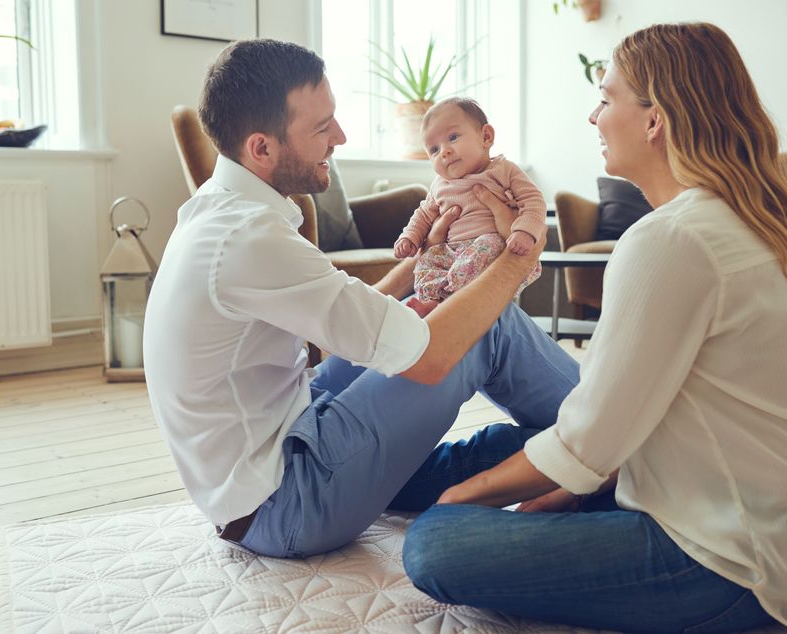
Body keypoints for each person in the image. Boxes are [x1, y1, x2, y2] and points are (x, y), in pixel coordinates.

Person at [401, 22, 787, 634]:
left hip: (725, 564)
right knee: (513, 446)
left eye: (606, 98)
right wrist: (562, 486)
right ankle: (398, 480)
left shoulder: (673, 240)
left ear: (655, 120)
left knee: (433, 542)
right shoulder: (738, 222)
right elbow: (632, 417)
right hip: (758, 530)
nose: (594, 117)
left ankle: (408, 490)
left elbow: (590, 441)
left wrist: (462, 501)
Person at [142, 39, 582, 559]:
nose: (341, 137)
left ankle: (564, 453)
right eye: (322, 127)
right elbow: (432, 355)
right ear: (261, 148)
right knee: (486, 325)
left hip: (285, 438)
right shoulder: (247, 237)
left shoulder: (217, 212)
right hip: (287, 501)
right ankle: (619, 442)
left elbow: (349, 312)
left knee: (443, 309)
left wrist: (427, 259)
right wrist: (516, 258)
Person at [394, 98, 544, 317]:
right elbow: (423, 214)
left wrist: (524, 231)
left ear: (486, 137)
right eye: (434, 150)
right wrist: (409, 237)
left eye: (453, 137)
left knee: (487, 244)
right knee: (427, 261)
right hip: (450, 250)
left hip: (489, 244)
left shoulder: (503, 169)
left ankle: (456, 300)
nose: (444, 152)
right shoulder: (439, 185)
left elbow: (533, 200)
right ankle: (433, 301)